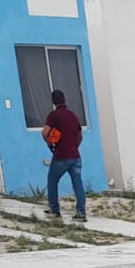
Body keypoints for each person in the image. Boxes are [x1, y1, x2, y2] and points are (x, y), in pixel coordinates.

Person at [41, 89, 86, 223]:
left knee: (52, 181)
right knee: (78, 183)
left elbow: (44, 133)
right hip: (75, 156)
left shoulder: (53, 115)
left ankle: (55, 210)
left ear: (53, 101)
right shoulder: (73, 115)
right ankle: (81, 212)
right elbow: (80, 136)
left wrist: (50, 145)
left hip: (61, 155)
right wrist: (74, 147)